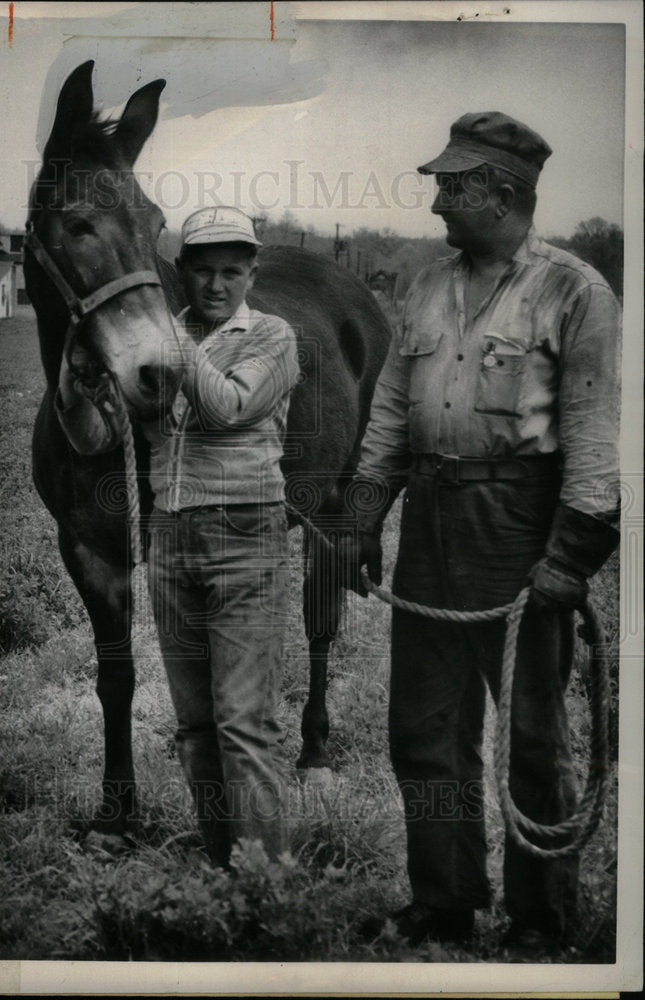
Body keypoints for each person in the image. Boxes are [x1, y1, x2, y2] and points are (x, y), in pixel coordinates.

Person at [345, 112, 621, 952]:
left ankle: (540, 916)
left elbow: (595, 439)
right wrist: (365, 515)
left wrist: (568, 560)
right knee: (422, 730)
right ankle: (445, 899)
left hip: (519, 527)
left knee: (531, 734)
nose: (434, 204)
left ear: (498, 193)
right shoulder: (423, 284)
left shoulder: (576, 292)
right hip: (430, 524)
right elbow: (393, 407)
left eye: (449, 186)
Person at [145, 206, 299, 868]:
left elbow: (227, 408)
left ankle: (264, 887)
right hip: (170, 535)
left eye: (231, 272)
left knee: (244, 723)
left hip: (245, 537)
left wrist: (165, 340)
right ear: (182, 274)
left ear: (251, 274)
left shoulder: (272, 336)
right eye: (202, 272)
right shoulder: (157, 334)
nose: (215, 286)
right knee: (194, 724)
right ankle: (220, 867)